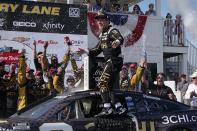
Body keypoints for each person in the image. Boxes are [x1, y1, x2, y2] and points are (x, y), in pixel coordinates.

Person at [78, 10, 125, 116]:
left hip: (114, 61)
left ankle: (107, 108)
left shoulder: (112, 30)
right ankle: (119, 107)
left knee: (102, 83)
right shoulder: (102, 35)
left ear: (108, 21)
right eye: (98, 20)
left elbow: (120, 38)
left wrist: (117, 42)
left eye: (102, 19)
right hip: (111, 62)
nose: (100, 22)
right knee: (109, 86)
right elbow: (96, 50)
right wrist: (85, 51)